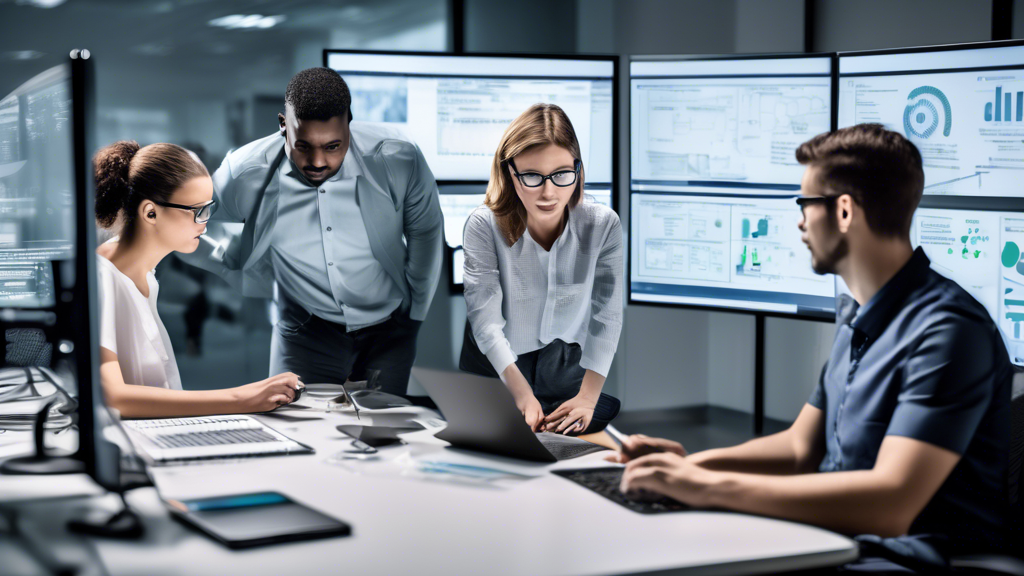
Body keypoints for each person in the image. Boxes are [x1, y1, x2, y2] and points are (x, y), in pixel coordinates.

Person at [613, 124, 1012, 556]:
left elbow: (889, 505)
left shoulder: (948, 332)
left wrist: (703, 486)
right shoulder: (860, 318)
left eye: (806, 203)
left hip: (915, 562)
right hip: (837, 543)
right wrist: (684, 466)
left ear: (843, 212)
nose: (801, 220)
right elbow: (801, 447)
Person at [182, 68, 443, 395]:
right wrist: (229, 265)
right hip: (304, 332)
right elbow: (180, 219)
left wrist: (414, 314)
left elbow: (426, 231)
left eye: (333, 146)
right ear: (282, 126)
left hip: (388, 330)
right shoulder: (247, 172)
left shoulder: (397, 157)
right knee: (296, 435)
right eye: (303, 146)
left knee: (383, 435)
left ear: (349, 122)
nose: (317, 161)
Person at [93, 141, 303, 418]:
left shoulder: (144, 277)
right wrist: (242, 398)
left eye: (209, 208)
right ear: (151, 213)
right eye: (197, 211)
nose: (205, 222)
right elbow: (112, 396)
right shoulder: (102, 277)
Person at [461, 104, 623, 435]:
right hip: (499, 369)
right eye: (533, 176)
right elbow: (486, 324)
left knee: (580, 452)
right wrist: (522, 396)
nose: (549, 192)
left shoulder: (602, 225)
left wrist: (588, 398)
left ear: (578, 168)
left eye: (562, 174)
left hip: (563, 371)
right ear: (509, 172)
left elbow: (607, 317)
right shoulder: (483, 225)